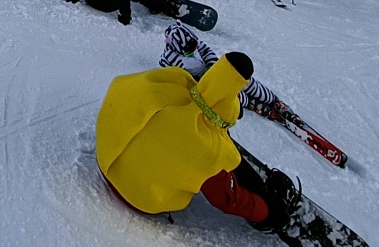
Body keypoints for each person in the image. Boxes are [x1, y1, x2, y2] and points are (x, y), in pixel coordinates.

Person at [96, 52, 301, 235]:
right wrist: (266, 214)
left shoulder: (170, 85)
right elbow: (228, 199)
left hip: (108, 158)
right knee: (203, 164)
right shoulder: (204, 148)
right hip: (137, 196)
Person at [159, 22, 291, 120]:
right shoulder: (171, 59)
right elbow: (178, 77)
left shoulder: (195, 43)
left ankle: (273, 100)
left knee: (244, 81)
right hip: (205, 82)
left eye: (195, 47)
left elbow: (206, 51)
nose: (194, 50)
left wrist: (213, 65)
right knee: (232, 94)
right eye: (189, 50)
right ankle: (254, 105)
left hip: (215, 69)